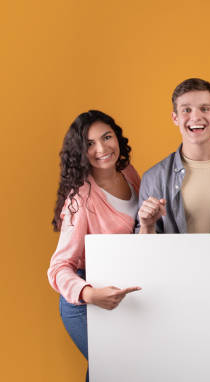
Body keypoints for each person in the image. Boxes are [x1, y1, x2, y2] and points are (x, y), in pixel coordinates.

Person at [48, 110, 142, 381]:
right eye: (90, 144)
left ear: (117, 138)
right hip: (84, 301)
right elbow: (58, 267)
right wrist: (89, 294)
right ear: (80, 151)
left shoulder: (127, 172)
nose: (102, 148)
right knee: (115, 370)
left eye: (107, 137)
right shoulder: (81, 200)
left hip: (116, 292)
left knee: (110, 372)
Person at [137, 78, 210, 234]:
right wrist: (147, 226)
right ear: (175, 118)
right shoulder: (153, 178)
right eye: (186, 110)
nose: (195, 117)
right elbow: (144, 251)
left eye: (204, 108)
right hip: (176, 259)